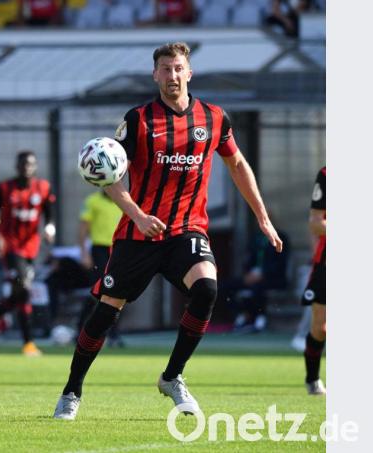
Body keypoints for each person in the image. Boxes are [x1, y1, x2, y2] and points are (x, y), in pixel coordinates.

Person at [53, 42, 283, 420]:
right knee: (105, 313)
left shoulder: (213, 117)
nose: (172, 75)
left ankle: (173, 376)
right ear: (155, 74)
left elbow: (237, 163)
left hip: (187, 230)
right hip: (138, 234)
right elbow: (112, 178)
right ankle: (72, 390)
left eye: (178, 68)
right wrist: (138, 215)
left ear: (189, 73)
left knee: (207, 288)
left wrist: (262, 216)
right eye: (165, 69)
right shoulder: (139, 119)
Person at [0, 150, 56, 356]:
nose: (26, 168)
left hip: (32, 247)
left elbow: (49, 212)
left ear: (35, 167)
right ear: (17, 166)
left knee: (19, 293)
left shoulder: (43, 188)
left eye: (30, 164)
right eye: (23, 164)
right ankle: (28, 342)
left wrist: (49, 227)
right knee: (24, 290)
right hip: (10, 246)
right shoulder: (5, 188)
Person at [76, 189, 125, 347]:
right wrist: (84, 253)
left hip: (118, 250)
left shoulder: (123, 200)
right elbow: (83, 229)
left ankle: (113, 334)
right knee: (98, 292)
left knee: (117, 292)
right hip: (99, 251)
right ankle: (81, 330)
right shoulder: (93, 201)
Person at [223, 227, 290, 333]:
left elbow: (281, 262)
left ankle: (259, 318)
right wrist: (248, 274)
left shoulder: (281, 237)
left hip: (273, 277)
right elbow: (248, 259)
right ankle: (243, 314)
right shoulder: (256, 237)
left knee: (258, 288)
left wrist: (263, 274)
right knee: (225, 286)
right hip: (253, 276)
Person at [301, 166, 326, 395]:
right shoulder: (327, 175)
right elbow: (315, 223)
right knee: (322, 327)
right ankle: (313, 378)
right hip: (328, 261)